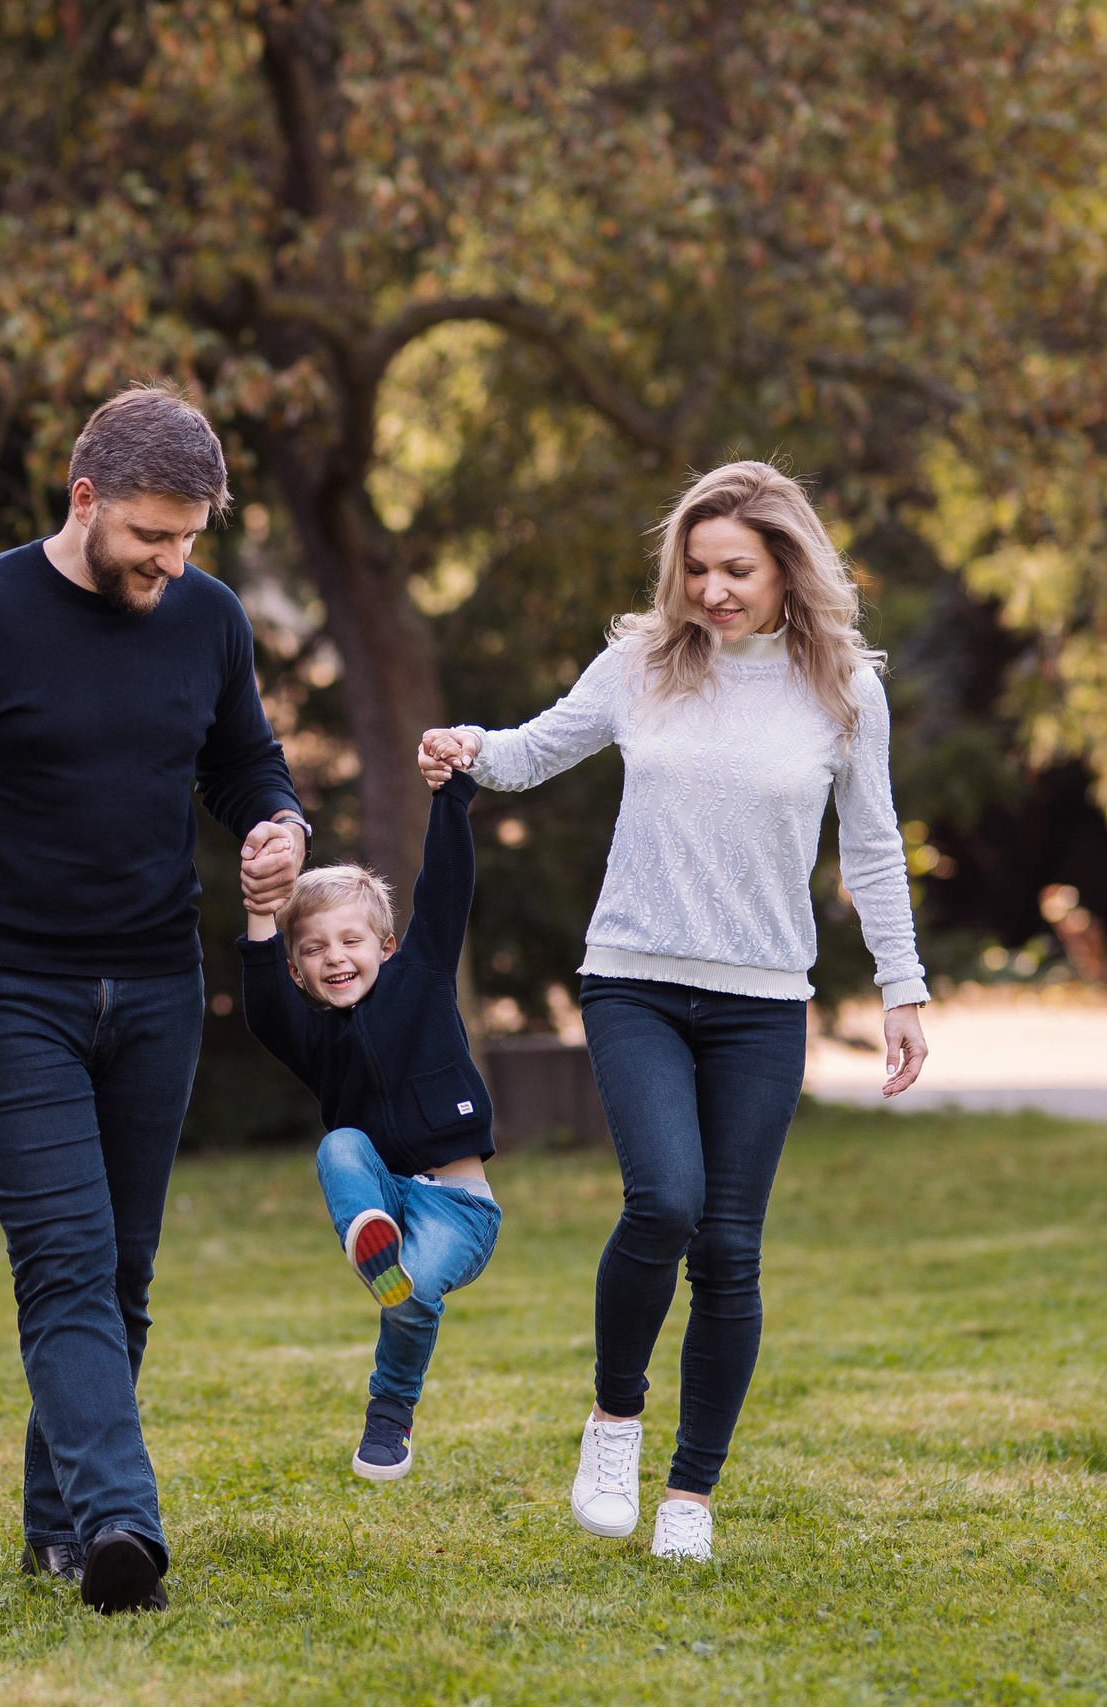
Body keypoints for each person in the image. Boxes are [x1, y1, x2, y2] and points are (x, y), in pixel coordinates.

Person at [0, 384, 309, 1614]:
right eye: (150, 535)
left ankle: (57, 1525)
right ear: (83, 499)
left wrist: (276, 823)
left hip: (156, 982)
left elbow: (244, 760)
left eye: (190, 539)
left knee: (124, 1271)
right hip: (6, 990)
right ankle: (119, 1526)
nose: (170, 561)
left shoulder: (205, 618)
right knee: (67, 1261)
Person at [419, 461, 932, 1564]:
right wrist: (466, 748)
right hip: (633, 980)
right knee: (664, 1202)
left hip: (759, 1002)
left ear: (789, 568)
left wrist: (902, 986)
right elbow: (532, 750)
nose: (711, 590)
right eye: (694, 569)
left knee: (731, 1250)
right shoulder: (642, 663)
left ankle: (690, 1495)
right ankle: (613, 1419)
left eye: (735, 569)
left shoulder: (844, 689)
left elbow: (874, 846)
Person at [239, 767, 502, 1483]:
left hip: (458, 1208)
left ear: (385, 946)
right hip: (382, 1193)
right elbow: (263, 1008)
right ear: (296, 969)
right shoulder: (313, 1038)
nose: (335, 958)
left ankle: (389, 1413)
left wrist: (452, 795)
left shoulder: (422, 977)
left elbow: (444, 888)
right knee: (341, 1143)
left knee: (412, 1290)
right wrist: (264, 910)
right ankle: (370, 1239)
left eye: (350, 941)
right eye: (314, 950)